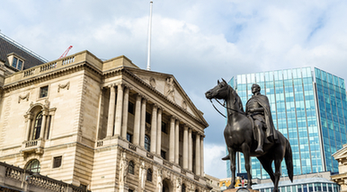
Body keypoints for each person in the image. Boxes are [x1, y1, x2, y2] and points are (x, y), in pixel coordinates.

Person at [245, 84, 278, 153]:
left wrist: (254, 110)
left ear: (258, 89)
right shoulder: (250, 100)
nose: (252, 89)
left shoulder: (263, 97)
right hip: (249, 117)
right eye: (252, 88)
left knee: (257, 125)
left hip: (259, 116)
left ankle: (260, 146)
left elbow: (266, 108)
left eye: (254, 87)